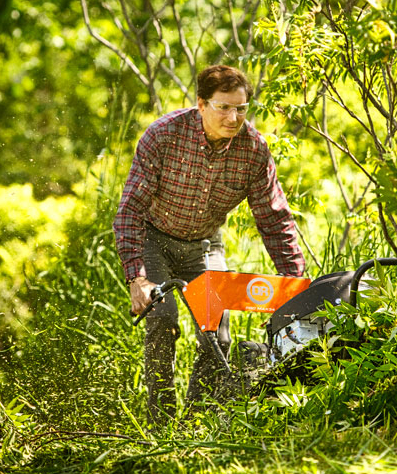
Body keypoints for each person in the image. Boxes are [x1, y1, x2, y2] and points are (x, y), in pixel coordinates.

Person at [113, 65, 306, 426]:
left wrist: (296, 284)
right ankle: (160, 422)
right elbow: (130, 211)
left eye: (242, 109)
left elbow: (275, 220)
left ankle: (195, 422)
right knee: (162, 319)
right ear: (201, 104)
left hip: (203, 245)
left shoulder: (253, 150)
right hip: (153, 239)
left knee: (216, 333)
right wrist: (137, 278)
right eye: (224, 108)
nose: (234, 118)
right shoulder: (163, 136)